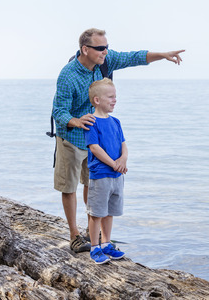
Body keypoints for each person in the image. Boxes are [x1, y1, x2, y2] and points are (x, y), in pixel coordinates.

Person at [52, 28, 184, 253]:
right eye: (100, 48)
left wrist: (162, 55)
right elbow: (59, 111)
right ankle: (74, 235)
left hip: (97, 137)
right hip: (72, 137)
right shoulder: (68, 75)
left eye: (107, 47)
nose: (105, 52)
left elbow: (134, 57)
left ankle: (92, 232)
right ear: (85, 49)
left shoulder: (106, 60)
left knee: (92, 184)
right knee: (69, 186)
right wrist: (76, 120)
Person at [84, 78, 126, 264]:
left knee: (109, 212)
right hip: (101, 175)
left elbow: (124, 145)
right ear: (97, 100)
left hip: (117, 176)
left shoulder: (115, 121)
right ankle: (95, 247)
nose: (114, 100)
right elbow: (94, 148)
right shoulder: (92, 121)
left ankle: (107, 244)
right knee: (96, 213)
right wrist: (112, 163)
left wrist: (123, 159)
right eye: (110, 96)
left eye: (115, 96)